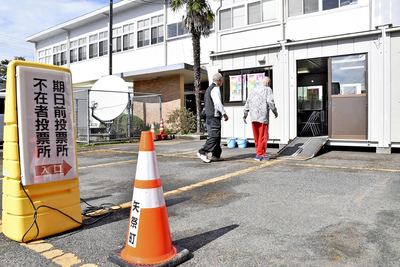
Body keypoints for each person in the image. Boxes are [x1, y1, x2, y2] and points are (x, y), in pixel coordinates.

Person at [243, 76, 278, 161]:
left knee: (257, 136)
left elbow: (248, 102)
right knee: (263, 136)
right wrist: (275, 112)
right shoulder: (267, 89)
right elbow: (270, 102)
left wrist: (245, 114)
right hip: (262, 116)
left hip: (253, 117)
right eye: (269, 83)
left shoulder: (253, 90)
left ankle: (258, 153)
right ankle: (260, 155)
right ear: (267, 83)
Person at [197, 73, 229, 163]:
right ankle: (202, 152)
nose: (222, 82)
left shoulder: (208, 89)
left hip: (209, 117)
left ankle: (216, 155)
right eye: (221, 80)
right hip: (214, 117)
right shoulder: (215, 89)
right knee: (214, 137)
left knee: (217, 137)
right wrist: (224, 114)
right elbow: (217, 103)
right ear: (218, 80)